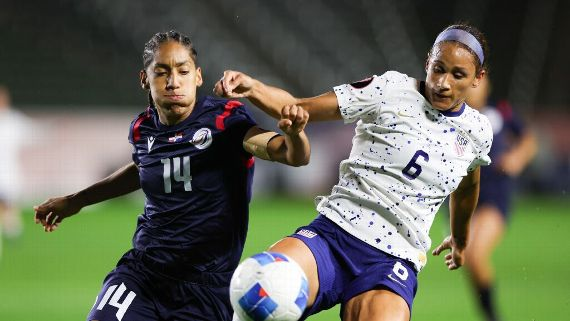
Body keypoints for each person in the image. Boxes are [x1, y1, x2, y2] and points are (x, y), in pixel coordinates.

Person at [216, 23, 494, 321]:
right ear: (428, 61)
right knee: (259, 289)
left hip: (392, 261)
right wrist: (254, 88)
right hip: (333, 235)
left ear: (478, 78)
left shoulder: (477, 133)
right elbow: (301, 107)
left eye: (458, 75)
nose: (443, 82)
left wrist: (461, 239)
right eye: (438, 68)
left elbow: (467, 187)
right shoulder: (390, 89)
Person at [33, 30, 311, 321]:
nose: (173, 82)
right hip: (144, 274)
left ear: (198, 77)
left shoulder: (226, 121)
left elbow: (292, 155)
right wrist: (76, 201)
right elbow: (143, 168)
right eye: (161, 72)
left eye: (183, 71)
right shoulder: (143, 128)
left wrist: (295, 135)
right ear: (145, 79)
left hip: (207, 289)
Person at [463, 76, 536, 321]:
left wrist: (517, 158)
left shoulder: (500, 111)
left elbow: (528, 140)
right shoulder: (453, 115)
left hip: (494, 196)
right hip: (463, 201)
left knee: (475, 255)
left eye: (479, 81)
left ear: (486, 83)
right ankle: (490, 315)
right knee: (469, 261)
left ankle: (493, 318)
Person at [0, 85, 32, 250]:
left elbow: (33, 133)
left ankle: (13, 234)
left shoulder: (13, 120)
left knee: (8, 204)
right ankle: (12, 232)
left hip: (7, 172)